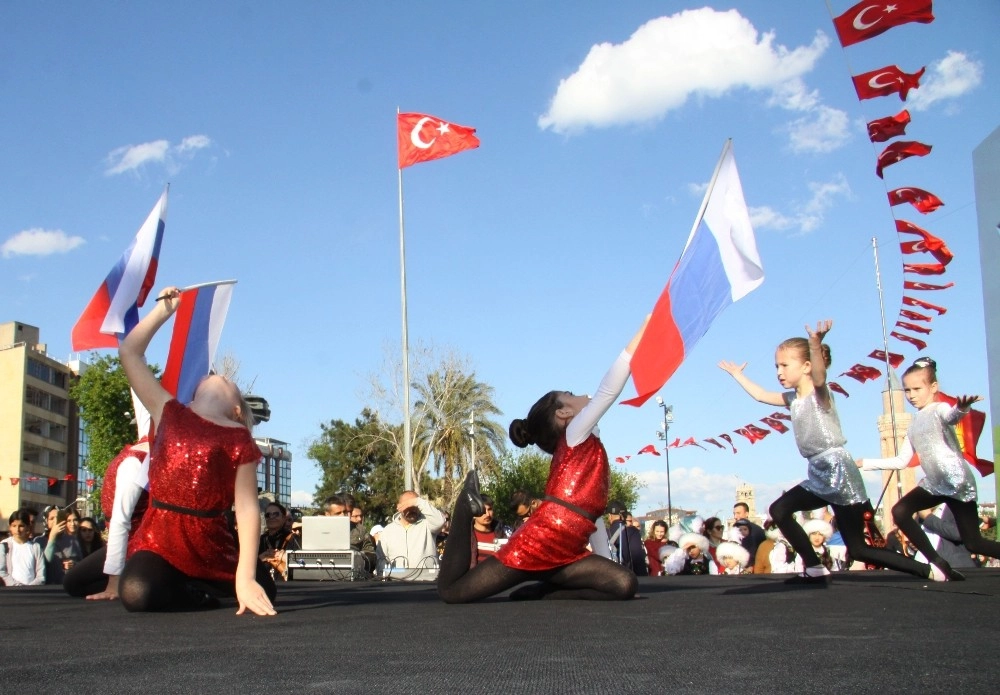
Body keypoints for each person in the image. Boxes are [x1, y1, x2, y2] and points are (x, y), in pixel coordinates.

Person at [436, 317, 648, 603]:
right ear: (563, 414)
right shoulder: (574, 434)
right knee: (454, 593)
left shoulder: (588, 444)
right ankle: (464, 506)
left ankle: (547, 589)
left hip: (568, 553)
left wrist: (603, 559)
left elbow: (593, 519)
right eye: (571, 395)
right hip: (541, 541)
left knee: (624, 584)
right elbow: (609, 390)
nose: (582, 395)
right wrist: (643, 333)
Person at [719, 320, 937, 584]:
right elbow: (762, 395)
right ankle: (817, 567)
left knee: (792, 515)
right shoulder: (793, 399)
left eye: (785, 365)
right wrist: (737, 375)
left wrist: (814, 343)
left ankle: (927, 570)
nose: (779, 371)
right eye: (777, 366)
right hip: (819, 469)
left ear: (807, 366)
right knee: (846, 543)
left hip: (837, 469)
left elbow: (820, 378)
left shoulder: (820, 394)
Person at [117, 285, 276, 615]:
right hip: (159, 537)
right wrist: (163, 311)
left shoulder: (238, 438)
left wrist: (245, 576)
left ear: (236, 410)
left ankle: (211, 583)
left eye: (231, 383)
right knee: (135, 593)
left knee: (266, 589)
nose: (220, 377)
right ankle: (193, 594)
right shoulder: (169, 411)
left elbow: (247, 509)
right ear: (193, 395)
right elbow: (130, 352)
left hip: (211, 543)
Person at [857, 357, 1000, 578]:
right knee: (900, 511)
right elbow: (901, 461)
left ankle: (941, 564)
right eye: (907, 390)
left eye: (917, 388)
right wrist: (866, 463)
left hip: (957, 481)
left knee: (974, 543)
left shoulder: (939, 408)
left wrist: (962, 408)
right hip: (935, 483)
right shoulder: (914, 423)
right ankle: (938, 563)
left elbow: (951, 417)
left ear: (933, 387)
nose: (912, 395)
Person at [63, 438, 151, 600]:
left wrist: (114, 578)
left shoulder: (136, 461)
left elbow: (121, 519)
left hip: (139, 545)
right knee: (74, 583)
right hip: (133, 543)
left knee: (76, 583)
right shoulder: (142, 455)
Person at [377, 491, 446, 571]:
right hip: (396, 581)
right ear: (399, 507)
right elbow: (380, 559)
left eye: (414, 506)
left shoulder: (428, 524)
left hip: (425, 581)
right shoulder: (388, 531)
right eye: (407, 506)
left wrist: (417, 501)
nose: (412, 510)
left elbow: (440, 521)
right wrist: (394, 572)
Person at [258, 502, 301, 582]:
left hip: (287, 586)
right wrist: (261, 558)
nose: (271, 517)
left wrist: (285, 557)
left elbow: (303, 562)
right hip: (262, 586)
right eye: (268, 515)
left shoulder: (294, 539)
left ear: (284, 518)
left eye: (276, 514)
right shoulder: (260, 540)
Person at [1, 510, 45, 586]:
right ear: (10, 527)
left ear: (28, 527)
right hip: (11, 592)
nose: (17, 530)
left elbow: (41, 576)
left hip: (31, 592)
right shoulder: (4, 545)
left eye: (21, 526)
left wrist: (29, 588)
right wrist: (17, 586)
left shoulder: (35, 547)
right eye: (14, 526)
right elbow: (2, 572)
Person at [43, 507, 82, 585]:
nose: (55, 521)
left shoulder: (73, 540)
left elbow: (82, 563)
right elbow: (46, 562)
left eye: (58, 517)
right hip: (48, 587)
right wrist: (52, 536)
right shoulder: (39, 541)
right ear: (46, 521)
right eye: (51, 519)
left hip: (69, 585)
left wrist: (74, 564)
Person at [607, 504, 647, 576]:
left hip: (611, 577)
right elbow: (637, 558)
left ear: (610, 516)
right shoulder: (632, 531)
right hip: (629, 577)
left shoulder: (605, 532)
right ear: (624, 516)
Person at [473, 496, 512, 564]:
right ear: (474, 513)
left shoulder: (505, 532)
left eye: (490, 509)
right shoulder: (467, 536)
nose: (487, 514)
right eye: (483, 510)